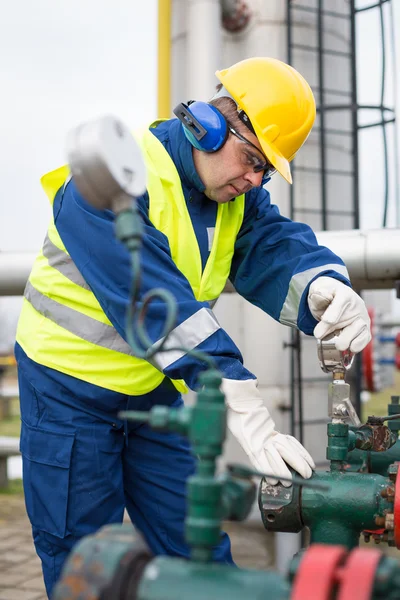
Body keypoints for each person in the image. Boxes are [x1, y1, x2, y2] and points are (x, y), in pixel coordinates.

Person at [15, 56, 371, 596]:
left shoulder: (231, 194)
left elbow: (271, 244)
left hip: (149, 389)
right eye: (251, 158)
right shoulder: (111, 181)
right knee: (81, 555)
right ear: (206, 122)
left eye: (266, 170)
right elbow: (157, 307)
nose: (254, 179)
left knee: (196, 546)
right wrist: (238, 397)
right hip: (68, 392)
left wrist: (323, 284)